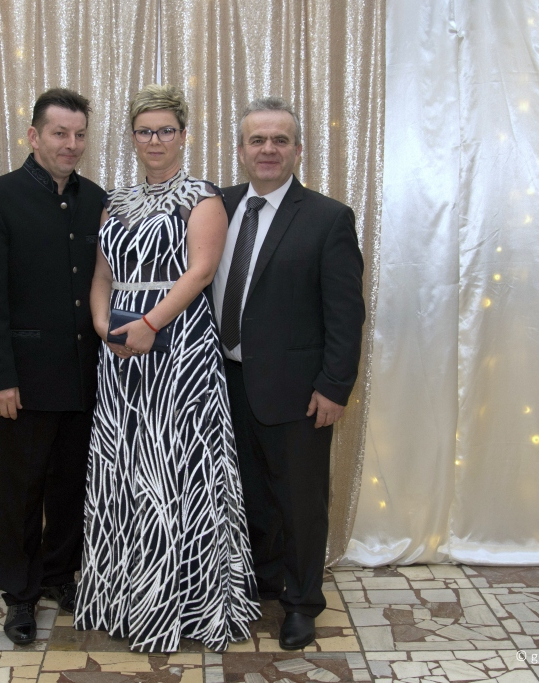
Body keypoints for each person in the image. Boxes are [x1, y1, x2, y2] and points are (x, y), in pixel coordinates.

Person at [73, 84, 259, 652]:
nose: (155, 140)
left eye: (166, 130)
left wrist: (150, 323)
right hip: (121, 353)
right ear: (132, 137)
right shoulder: (116, 201)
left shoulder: (202, 197)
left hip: (179, 349)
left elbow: (201, 271)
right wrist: (103, 325)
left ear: (183, 135)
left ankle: (188, 603)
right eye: (145, 130)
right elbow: (102, 276)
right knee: (127, 467)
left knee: (178, 467)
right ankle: (127, 597)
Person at [214, 97, 365, 650]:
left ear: (298, 150)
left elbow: (346, 314)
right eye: (257, 140)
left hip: (298, 390)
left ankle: (302, 604)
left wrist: (334, 386)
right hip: (222, 383)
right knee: (246, 495)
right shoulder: (217, 207)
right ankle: (262, 584)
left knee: (300, 503)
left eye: (280, 140)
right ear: (241, 150)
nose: (268, 149)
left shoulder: (328, 218)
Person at [0, 88, 106, 645]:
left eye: (79, 134)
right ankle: (19, 594)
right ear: (34, 136)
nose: (71, 144)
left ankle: (60, 576)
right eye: (59, 133)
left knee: (71, 485)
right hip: (23, 379)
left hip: (86, 376)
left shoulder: (97, 200)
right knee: (23, 491)